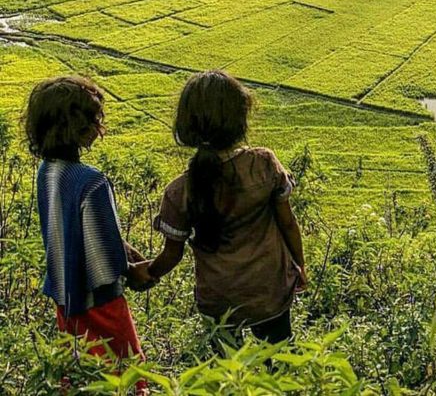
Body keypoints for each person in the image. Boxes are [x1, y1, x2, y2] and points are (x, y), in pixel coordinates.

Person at [144, 70, 306, 344]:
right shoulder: (263, 164)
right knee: (279, 359)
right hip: (270, 290)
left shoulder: (179, 191)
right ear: (240, 118)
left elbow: (171, 255)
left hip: (219, 299)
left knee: (227, 371)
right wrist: (300, 266)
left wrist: (146, 273)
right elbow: (288, 223)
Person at [26, 76, 151, 392]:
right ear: (78, 128)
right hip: (101, 302)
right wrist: (134, 271)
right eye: (95, 119)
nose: (99, 125)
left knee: (80, 372)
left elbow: (75, 228)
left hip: (65, 296)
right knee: (125, 375)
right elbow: (106, 254)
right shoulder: (91, 181)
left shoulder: (48, 171)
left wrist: (126, 250)